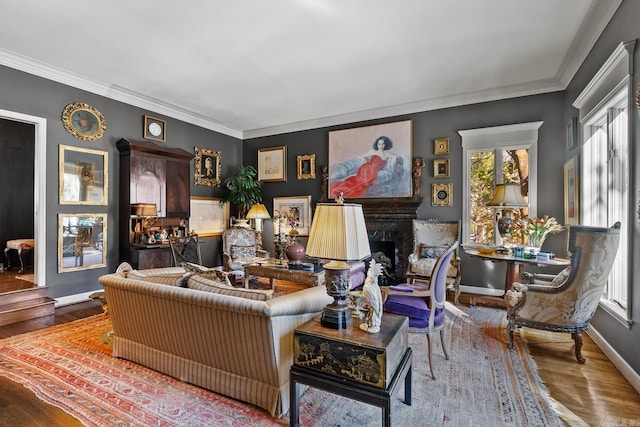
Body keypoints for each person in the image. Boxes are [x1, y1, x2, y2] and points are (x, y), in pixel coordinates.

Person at [330, 136, 399, 198]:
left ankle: (342, 192)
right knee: (360, 180)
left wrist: (394, 158)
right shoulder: (373, 151)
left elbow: (393, 162)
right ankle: (339, 190)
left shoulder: (389, 154)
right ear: (377, 144)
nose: (381, 146)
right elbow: (361, 156)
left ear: (386, 144)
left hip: (374, 171)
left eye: (383, 144)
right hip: (366, 168)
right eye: (379, 144)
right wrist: (364, 160)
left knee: (364, 182)